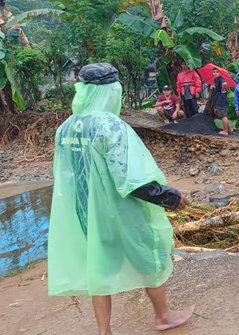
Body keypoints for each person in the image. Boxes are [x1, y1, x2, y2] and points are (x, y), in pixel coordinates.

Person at [48, 63, 194, 335]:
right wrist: (170, 197)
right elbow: (129, 178)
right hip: (119, 210)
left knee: (99, 266)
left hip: (84, 212)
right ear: (110, 92)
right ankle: (163, 316)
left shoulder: (66, 128)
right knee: (149, 255)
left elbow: (64, 174)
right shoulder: (109, 125)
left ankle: (105, 331)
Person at [212, 68, 232, 136]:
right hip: (218, 100)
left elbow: (224, 83)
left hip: (221, 100)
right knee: (223, 114)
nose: (215, 73)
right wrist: (213, 87)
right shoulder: (216, 80)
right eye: (214, 72)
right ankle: (230, 129)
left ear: (219, 73)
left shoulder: (221, 79)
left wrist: (223, 89)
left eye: (216, 72)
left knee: (223, 116)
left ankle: (225, 131)